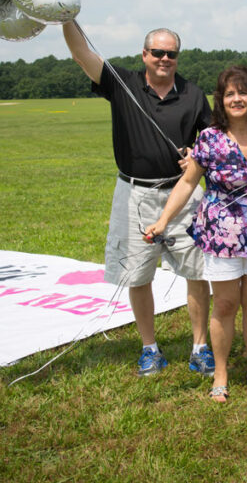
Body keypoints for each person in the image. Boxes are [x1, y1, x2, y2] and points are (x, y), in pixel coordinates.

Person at [62, 20, 215, 378]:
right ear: (144, 54)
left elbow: (209, 142)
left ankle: (200, 347)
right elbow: (81, 53)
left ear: (177, 57)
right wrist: (65, 17)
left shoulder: (193, 94)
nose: (164, 59)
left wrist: (196, 154)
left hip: (183, 194)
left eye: (171, 54)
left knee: (197, 272)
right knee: (138, 274)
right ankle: (150, 349)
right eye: (157, 52)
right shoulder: (123, 83)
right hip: (133, 194)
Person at [143, 66, 247, 402]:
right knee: (226, 304)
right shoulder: (209, 138)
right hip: (221, 234)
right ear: (220, 100)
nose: (237, 99)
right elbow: (188, 182)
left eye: (243, 92)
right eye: (230, 93)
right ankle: (220, 372)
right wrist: (162, 221)